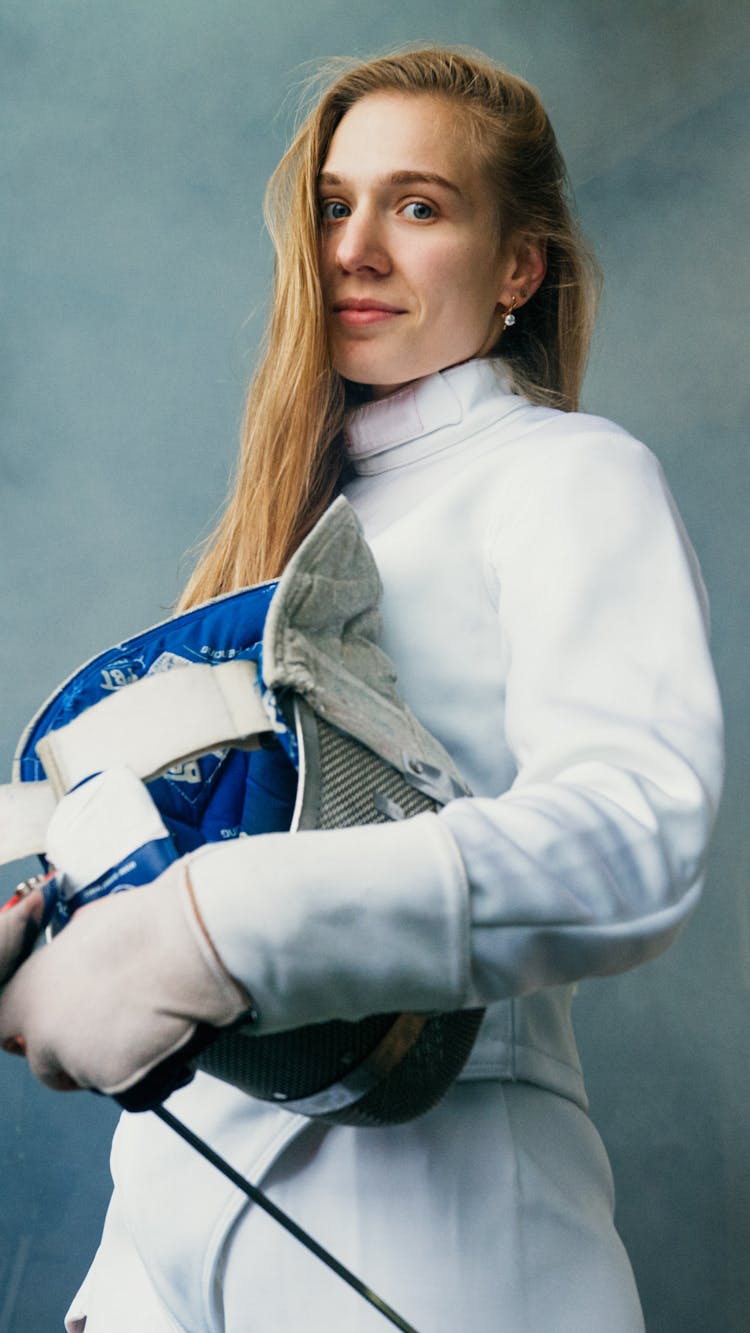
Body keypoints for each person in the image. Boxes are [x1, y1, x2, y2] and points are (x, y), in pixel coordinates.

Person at [0, 46, 723, 1332]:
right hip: (156, 1241)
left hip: (438, 1229)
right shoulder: (276, 534)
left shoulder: (566, 473)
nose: (357, 248)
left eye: (420, 205)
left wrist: (209, 930)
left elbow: (634, 836)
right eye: (335, 205)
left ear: (520, 268)